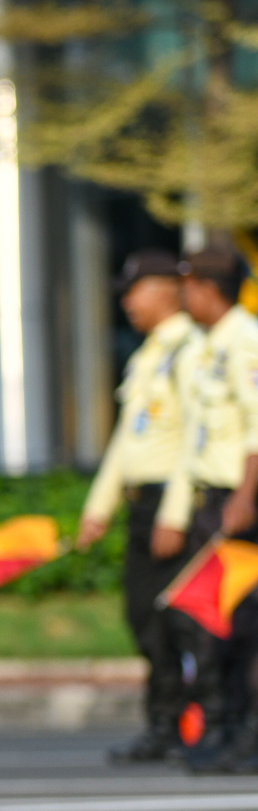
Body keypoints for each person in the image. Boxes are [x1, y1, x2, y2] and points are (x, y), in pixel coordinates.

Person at [76, 250, 192, 762]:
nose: (127, 302)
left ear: (168, 289)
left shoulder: (190, 350)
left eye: (135, 290)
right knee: (143, 615)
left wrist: (175, 514)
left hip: (175, 505)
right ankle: (165, 723)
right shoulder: (147, 356)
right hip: (143, 505)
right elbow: (127, 439)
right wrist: (98, 507)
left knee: (181, 622)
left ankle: (192, 721)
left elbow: (194, 439)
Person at [153, 246, 258, 773]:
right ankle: (228, 728)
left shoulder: (246, 342)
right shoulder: (209, 346)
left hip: (242, 504)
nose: (182, 296)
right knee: (216, 626)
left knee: (246, 625)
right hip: (211, 502)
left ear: (210, 289)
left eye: (188, 287)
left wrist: (245, 496)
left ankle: (248, 735)